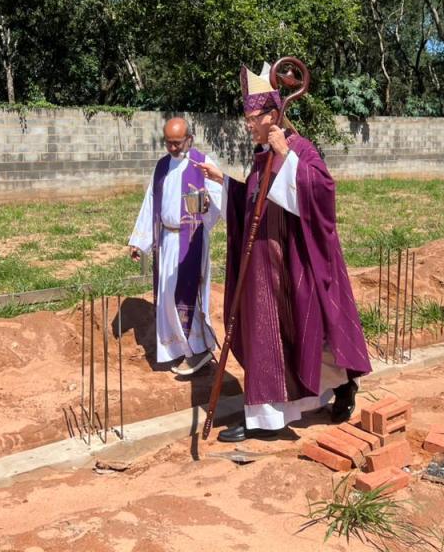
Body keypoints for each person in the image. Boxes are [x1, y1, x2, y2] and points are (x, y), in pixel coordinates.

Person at [195, 64, 371, 443]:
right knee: (280, 338)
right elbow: (255, 201)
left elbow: (323, 193)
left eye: (252, 118)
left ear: (273, 115)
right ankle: (319, 392)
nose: (247, 125)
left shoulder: (299, 148)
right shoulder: (262, 154)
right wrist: (225, 182)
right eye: (246, 118)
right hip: (263, 266)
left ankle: (270, 418)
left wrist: (288, 156)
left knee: (295, 335)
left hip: (292, 265)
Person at [129, 117, 222, 375]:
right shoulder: (161, 166)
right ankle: (178, 349)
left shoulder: (202, 164)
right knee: (168, 297)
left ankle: (199, 350)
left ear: (189, 139)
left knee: (187, 296)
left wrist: (207, 206)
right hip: (166, 240)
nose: (172, 148)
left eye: (177, 143)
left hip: (191, 241)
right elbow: (150, 202)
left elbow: (220, 198)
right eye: (168, 142)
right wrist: (139, 240)